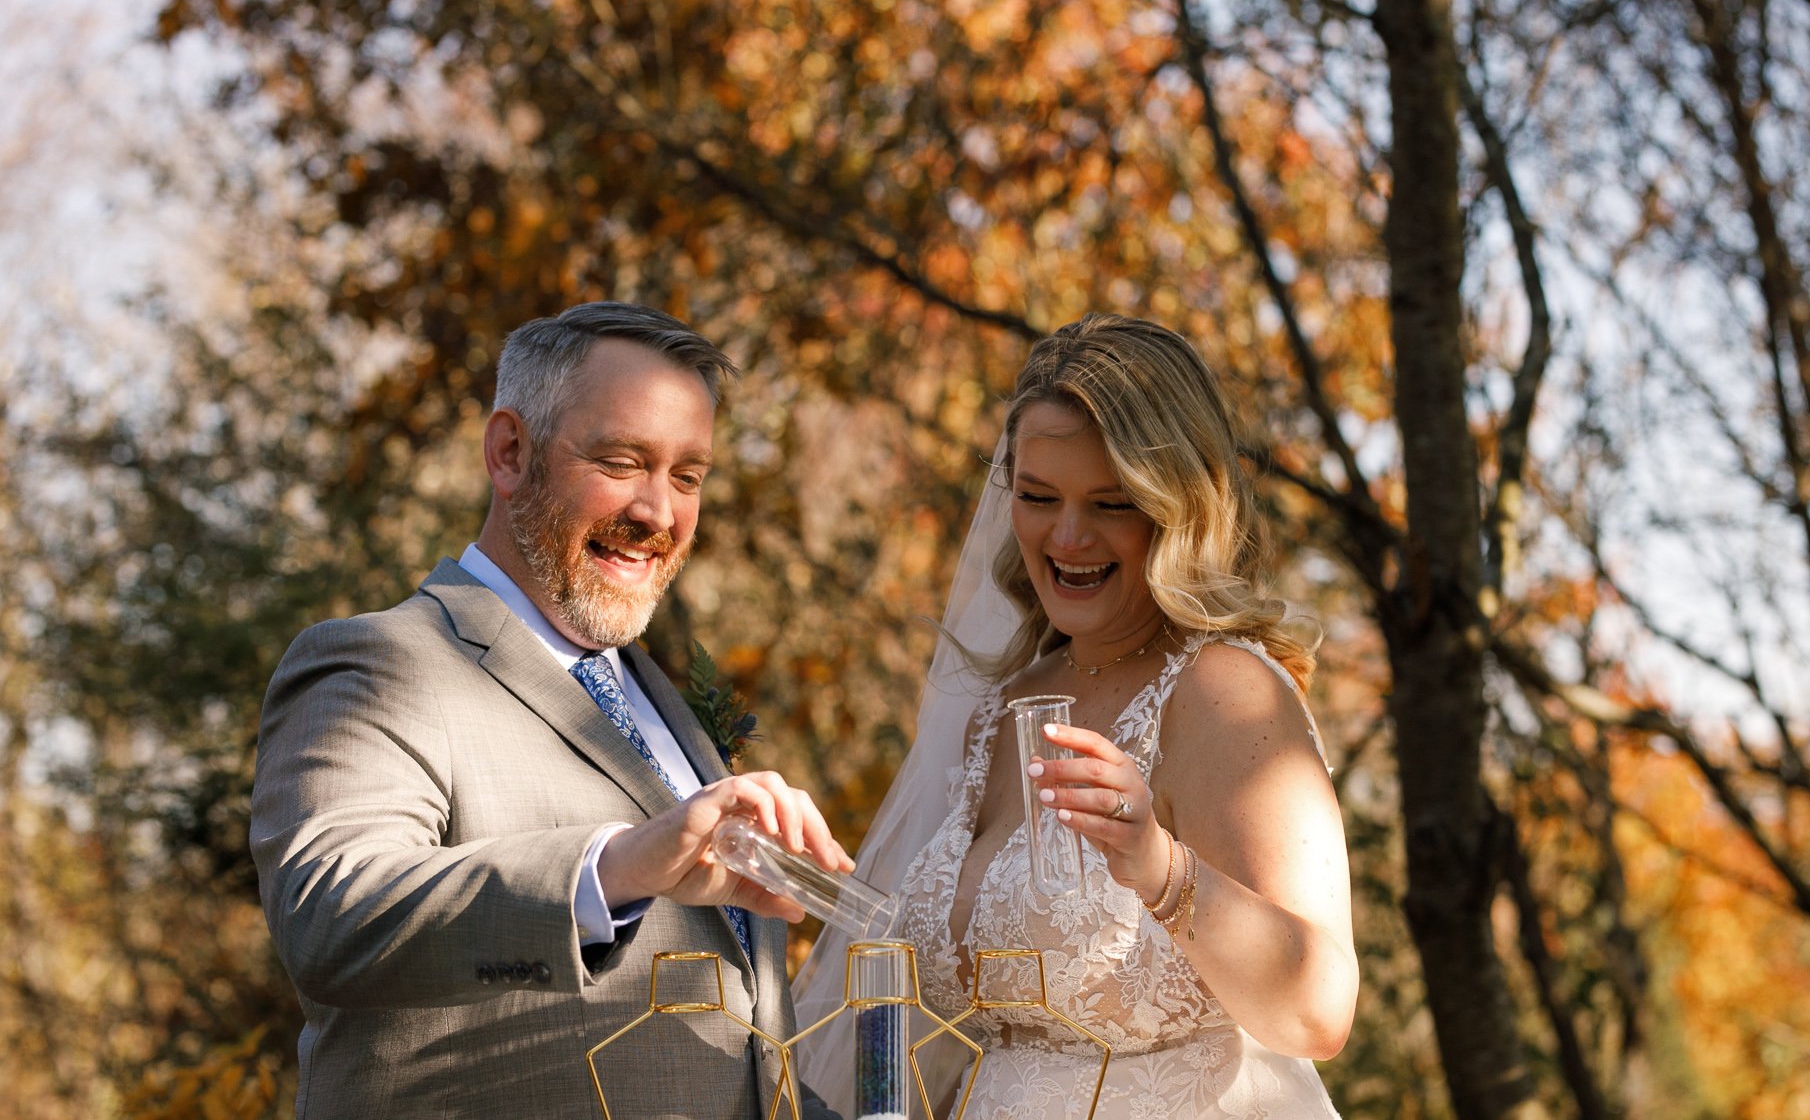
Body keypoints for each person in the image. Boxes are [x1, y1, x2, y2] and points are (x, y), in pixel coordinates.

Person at [251, 302, 847, 1120]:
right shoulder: (378, 661)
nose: (659, 513)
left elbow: (732, 1062)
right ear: (509, 451)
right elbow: (335, 918)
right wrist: (618, 865)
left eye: (687, 476)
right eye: (621, 459)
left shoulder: (668, 710)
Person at [796, 314, 1355, 1118]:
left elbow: (1320, 1009)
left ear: (1176, 507)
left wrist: (1160, 867)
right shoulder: (1001, 709)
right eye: (1037, 495)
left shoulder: (1228, 694)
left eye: (1110, 502)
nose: (1065, 533)